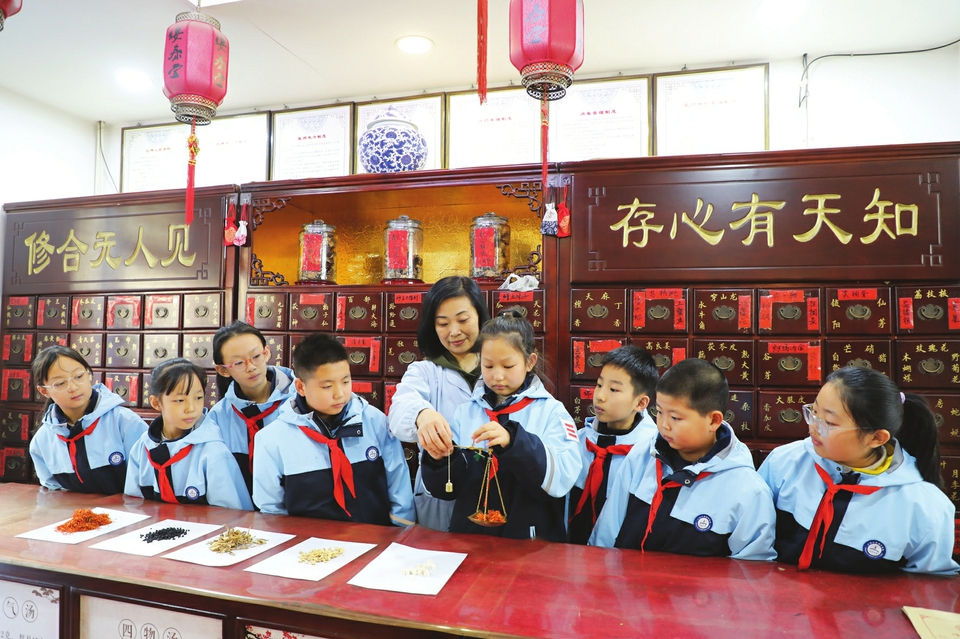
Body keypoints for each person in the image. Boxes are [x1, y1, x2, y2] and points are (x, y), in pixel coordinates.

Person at [758, 366, 959, 575]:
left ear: (876, 438)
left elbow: (929, 587)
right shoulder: (785, 462)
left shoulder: (924, 506)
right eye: (814, 412)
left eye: (829, 422)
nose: (814, 427)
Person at [590, 358, 776, 561]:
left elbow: (751, 570)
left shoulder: (748, 491)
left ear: (713, 420)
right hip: (625, 581)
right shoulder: (642, 456)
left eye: (675, 418)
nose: (664, 425)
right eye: (659, 412)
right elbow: (606, 533)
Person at [420, 309, 582, 542]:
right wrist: (439, 459)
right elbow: (448, 489)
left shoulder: (551, 412)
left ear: (529, 362)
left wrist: (513, 441)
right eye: (488, 366)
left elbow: (562, 479)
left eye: (507, 367)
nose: (497, 376)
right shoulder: (466, 412)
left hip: (528, 542)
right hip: (470, 538)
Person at [252, 332, 414, 526]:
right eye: (327, 386)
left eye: (345, 382)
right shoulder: (271, 440)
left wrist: (399, 535)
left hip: (374, 538)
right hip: (308, 543)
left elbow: (399, 489)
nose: (340, 394)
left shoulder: (374, 421)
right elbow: (271, 510)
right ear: (301, 387)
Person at [388, 276, 490, 530]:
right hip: (441, 500)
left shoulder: (500, 368)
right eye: (443, 323)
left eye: (463, 320)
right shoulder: (425, 371)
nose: (454, 332)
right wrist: (422, 414)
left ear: (479, 316)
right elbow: (399, 412)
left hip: (494, 494)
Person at [125, 359, 253, 510]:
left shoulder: (213, 452)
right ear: (156, 403)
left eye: (198, 398)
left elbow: (229, 516)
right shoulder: (142, 448)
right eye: (180, 400)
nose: (191, 408)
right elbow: (134, 505)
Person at [567, 345, 659, 544]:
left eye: (614, 389)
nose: (600, 396)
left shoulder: (650, 455)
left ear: (640, 403)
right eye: (599, 385)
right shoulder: (580, 440)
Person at [29, 345, 146, 494]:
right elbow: (54, 493)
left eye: (79, 377)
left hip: (129, 508)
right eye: (60, 383)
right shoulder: (42, 440)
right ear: (44, 391)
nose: (73, 387)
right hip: (73, 509)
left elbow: (147, 481)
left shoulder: (125, 422)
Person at [206, 320, 297, 493]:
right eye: (238, 363)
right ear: (223, 370)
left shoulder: (299, 402)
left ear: (266, 353)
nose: (251, 367)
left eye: (256, 356)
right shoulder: (218, 417)